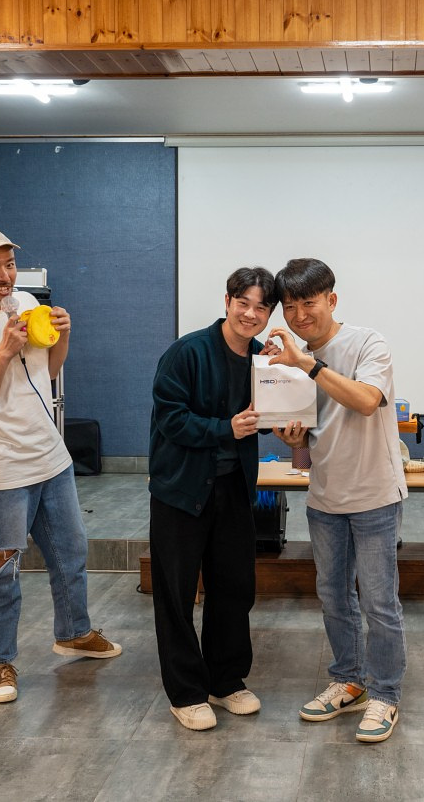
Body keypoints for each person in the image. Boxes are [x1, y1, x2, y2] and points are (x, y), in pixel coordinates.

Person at [0, 227, 121, 705]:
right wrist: (3, 351)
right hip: (0, 474)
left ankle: (74, 632)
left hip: (51, 459)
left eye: (9, 264)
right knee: (1, 572)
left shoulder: (27, 303)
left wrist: (63, 335)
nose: (4, 276)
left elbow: (48, 371)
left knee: (71, 555)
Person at [267, 257, 407, 744]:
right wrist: (294, 442)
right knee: (333, 598)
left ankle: (385, 693)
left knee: (379, 602)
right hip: (325, 498)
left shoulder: (368, 343)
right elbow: (311, 444)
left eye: (309, 303)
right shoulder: (292, 359)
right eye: (289, 307)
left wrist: (307, 363)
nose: (299, 315)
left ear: (331, 299)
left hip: (374, 496)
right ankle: (349, 680)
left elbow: (366, 401)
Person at [147, 267, 276, 731]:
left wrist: (289, 413)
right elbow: (170, 419)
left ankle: (226, 682)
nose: (251, 314)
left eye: (261, 307)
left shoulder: (263, 360)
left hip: (234, 488)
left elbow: (270, 416)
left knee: (234, 589)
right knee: (177, 594)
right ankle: (186, 693)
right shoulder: (186, 352)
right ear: (227, 301)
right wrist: (226, 429)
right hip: (181, 490)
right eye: (244, 303)